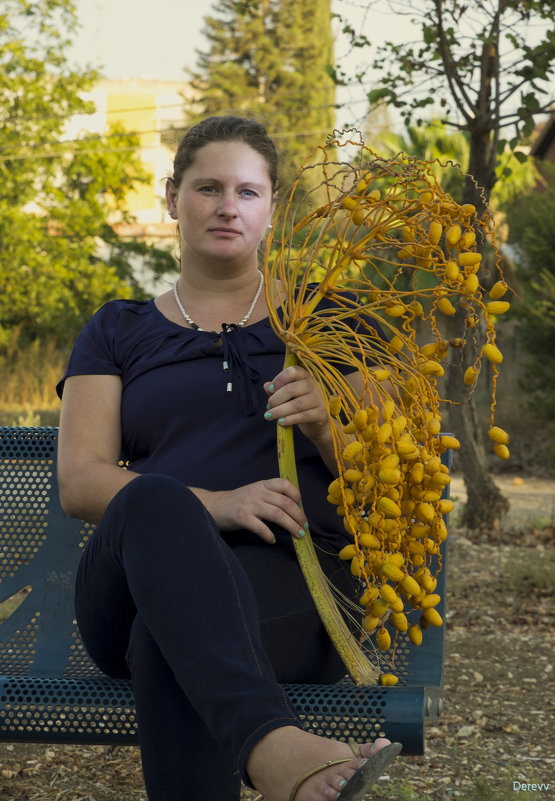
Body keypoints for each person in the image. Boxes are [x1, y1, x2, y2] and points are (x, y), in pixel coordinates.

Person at [56, 115, 401, 801]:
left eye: (247, 191)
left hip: (298, 589)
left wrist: (328, 426)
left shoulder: (329, 322)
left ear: (272, 208)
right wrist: (213, 503)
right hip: (130, 585)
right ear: (171, 197)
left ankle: (266, 747)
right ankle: (273, 744)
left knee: (172, 639)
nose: (225, 206)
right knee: (152, 497)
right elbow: (80, 479)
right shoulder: (117, 329)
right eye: (207, 187)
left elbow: (391, 481)